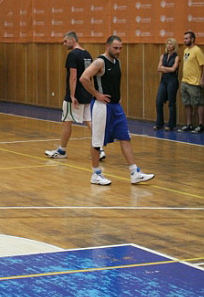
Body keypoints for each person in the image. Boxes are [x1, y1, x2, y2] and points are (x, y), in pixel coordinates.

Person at [80, 35, 154, 186]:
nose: (118, 51)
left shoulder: (117, 62)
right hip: (102, 107)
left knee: (125, 137)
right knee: (97, 141)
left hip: (115, 107)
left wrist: (117, 97)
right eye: (115, 48)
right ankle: (96, 174)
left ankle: (134, 172)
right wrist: (96, 94)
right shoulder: (99, 62)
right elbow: (84, 78)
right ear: (107, 46)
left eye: (120, 48)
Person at [45, 31, 105, 161]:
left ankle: (61, 150)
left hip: (76, 95)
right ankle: (99, 149)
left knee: (67, 122)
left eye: (65, 41)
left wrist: (72, 96)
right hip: (87, 93)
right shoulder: (87, 54)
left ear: (73, 40)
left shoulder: (72, 55)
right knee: (89, 121)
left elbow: (73, 76)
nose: (64, 44)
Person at [178, 31, 204, 133]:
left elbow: (203, 65)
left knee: (198, 103)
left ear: (192, 39)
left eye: (186, 39)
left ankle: (200, 125)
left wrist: (202, 79)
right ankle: (189, 124)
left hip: (194, 82)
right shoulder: (186, 50)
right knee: (187, 103)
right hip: (185, 81)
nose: (184, 40)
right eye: (184, 39)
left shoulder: (197, 50)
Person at [154, 38, 180, 131]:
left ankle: (171, 124)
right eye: (168, 44)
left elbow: (173, 69)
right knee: (159, 101)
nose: (169, 46)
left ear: (174, 46)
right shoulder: (163, 56)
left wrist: (163, 68)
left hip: (172, 80)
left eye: (171, 44)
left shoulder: (176, 57)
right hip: (164, 80)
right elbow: (158, 68)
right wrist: (166, 69)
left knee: (171, 102)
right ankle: (159, 123)